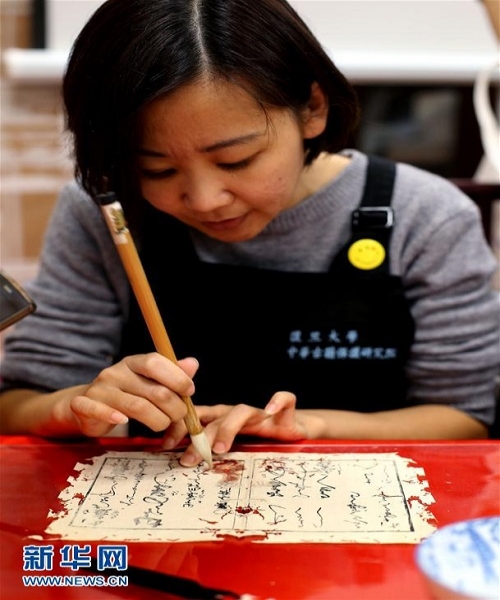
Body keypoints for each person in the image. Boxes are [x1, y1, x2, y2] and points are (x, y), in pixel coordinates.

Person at [0, 0, 499, 465]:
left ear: (312, 109)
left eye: (235, 160)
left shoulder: (424, 215)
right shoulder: (108, 214)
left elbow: (465, 415)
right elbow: (19, 401)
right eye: (157, 170)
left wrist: (313, 426)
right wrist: (75, 406)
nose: (205, 200)